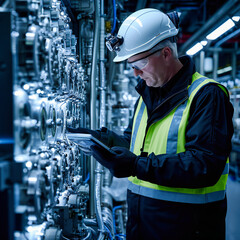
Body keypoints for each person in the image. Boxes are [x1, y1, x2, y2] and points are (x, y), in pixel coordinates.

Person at [68, 8, 234, 240]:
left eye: (140, 63)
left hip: (187, 228)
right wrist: (102, 140)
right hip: (144, 224)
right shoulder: (146, 96)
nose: (135, 72)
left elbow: (204, 165)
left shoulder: (206, 95)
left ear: (166, 53)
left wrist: (136, 166)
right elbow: (133, 143)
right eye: (131, 65)